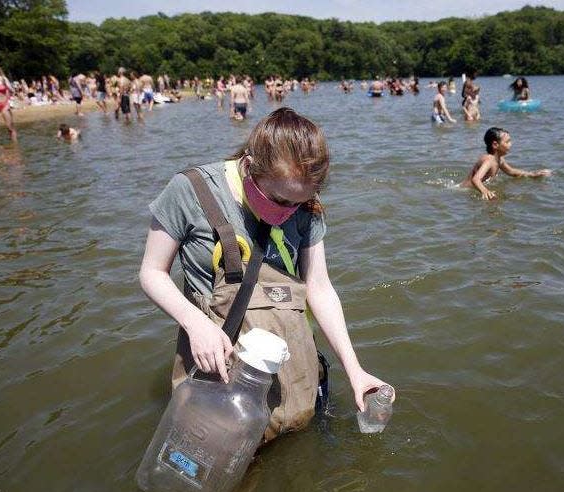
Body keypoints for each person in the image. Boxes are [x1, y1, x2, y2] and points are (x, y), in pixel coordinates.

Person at [139, 107, 393, 442]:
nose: (286, 211)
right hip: (216, 359)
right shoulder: (190, 190)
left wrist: (354, 369)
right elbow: (152, 273)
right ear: (248, 167)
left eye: (297, 203)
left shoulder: (306, 205)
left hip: (285, 359)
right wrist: (194, 321)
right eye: (277, 199)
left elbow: (319, 288)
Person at [460, 127, 551, 199]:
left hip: (471, 188)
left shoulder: (499, 159)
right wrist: (485, 191)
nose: (511, 144)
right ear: (495, 145)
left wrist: (532, 174)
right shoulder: (489, 160)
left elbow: (511, 172)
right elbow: (475, 179)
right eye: (507, 142)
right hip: (464, 190)